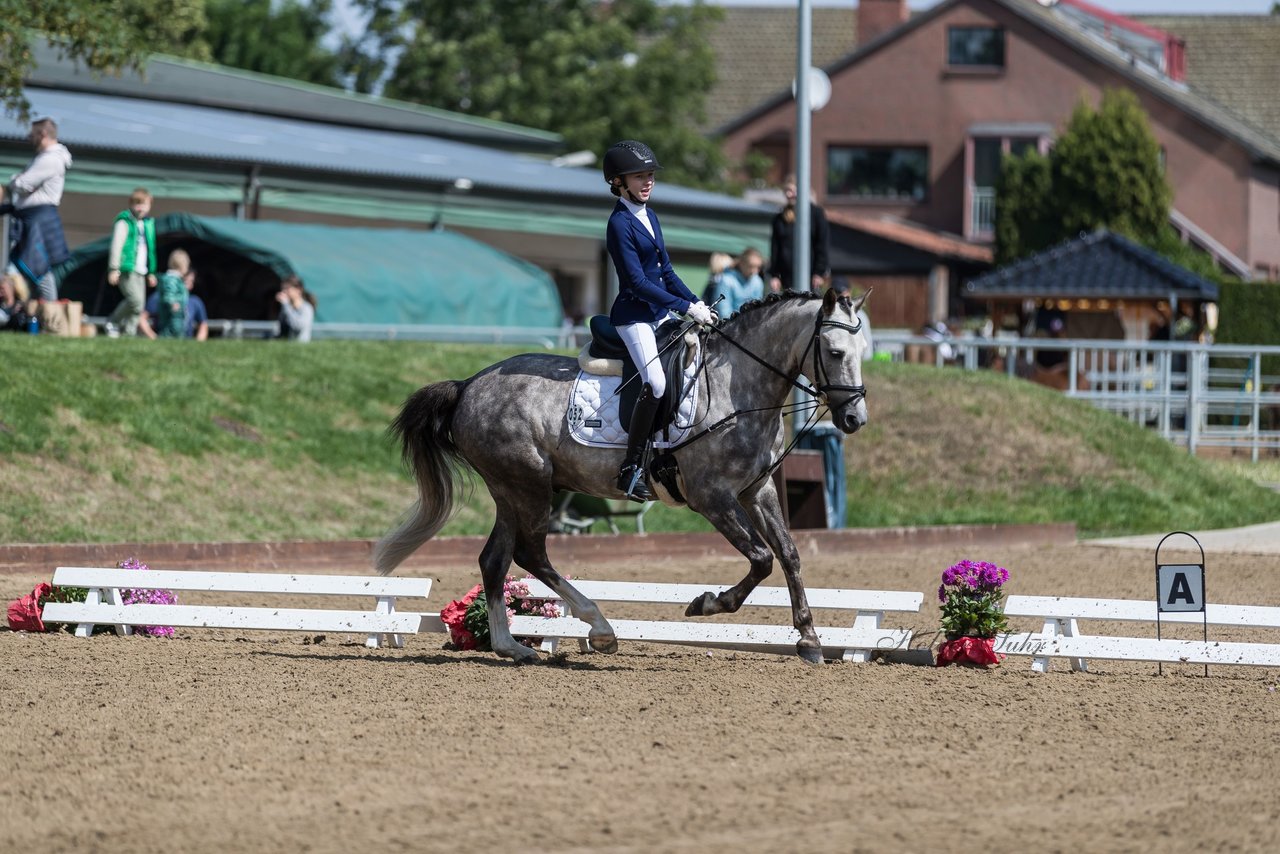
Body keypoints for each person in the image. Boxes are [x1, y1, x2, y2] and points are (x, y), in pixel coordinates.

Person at [603, 139, 713, 501]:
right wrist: (683, 307)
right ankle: (630, 469)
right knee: (656, 382)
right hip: (634, 316)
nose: (647, 182)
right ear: (618, 181)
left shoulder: (650, 216)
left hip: (659, 312)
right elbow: (638, 282)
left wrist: (696, 301)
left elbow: (665, 271)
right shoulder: (619, 224)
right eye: (639, 177)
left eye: (649, 175)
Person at [1, 116, 72, 303]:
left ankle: (51, 314)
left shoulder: (51, 159)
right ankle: (20, 313)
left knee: (38, 268)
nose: (28, 137)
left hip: (39, 220)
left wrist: (15, 180)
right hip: (30, 218)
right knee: (20, 267)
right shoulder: (43, 158)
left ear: (43, 134)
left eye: (32, 134)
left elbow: (23, 183)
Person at [104, 188, 158, 338]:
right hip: (127, 268)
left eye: (144, 204)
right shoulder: (124, 222)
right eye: (136, 203)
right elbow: (117, 245)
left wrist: (151, 272)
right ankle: (113, 321)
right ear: (130, 204)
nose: (140, 207)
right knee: (135, 301)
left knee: (139, 307)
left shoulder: (148, 224)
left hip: (142, 270)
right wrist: (114, 268)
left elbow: (150, 250)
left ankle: (129, 333)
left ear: (150, 206)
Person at [767, 173, 829, 293]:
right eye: (786, 191)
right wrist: (775, 274)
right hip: (787, 278)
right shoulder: (779, 219)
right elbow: (775, 249)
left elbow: (822, 244)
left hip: (810, 277)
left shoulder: (816, 214)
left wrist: (819, 272)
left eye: (791, 190)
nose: (788, 194)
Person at [139, 249, 208, 341]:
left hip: (183, 336)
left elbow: (203, 324)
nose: (190, 284)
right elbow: (141, 318)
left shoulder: (195, 301)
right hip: (169, 328)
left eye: (192, 281)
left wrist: (198, 344)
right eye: (187, 280)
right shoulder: (159, 296)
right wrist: (154, 338)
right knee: (171, 330)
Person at [710, 247, 766, 316]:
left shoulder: (758, 281)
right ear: (741, 263)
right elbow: (723, 313)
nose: (754, 271)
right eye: (751, 266)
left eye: (758, 267)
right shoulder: (726, 281)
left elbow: (757, 309)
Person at [276, 275, 315, 342]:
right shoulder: (287, 306)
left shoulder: (306, 308)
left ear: (298, 290)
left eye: (287, 289)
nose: (284, 292)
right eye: (283, 289)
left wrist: (286, 305)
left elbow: (297, 327)